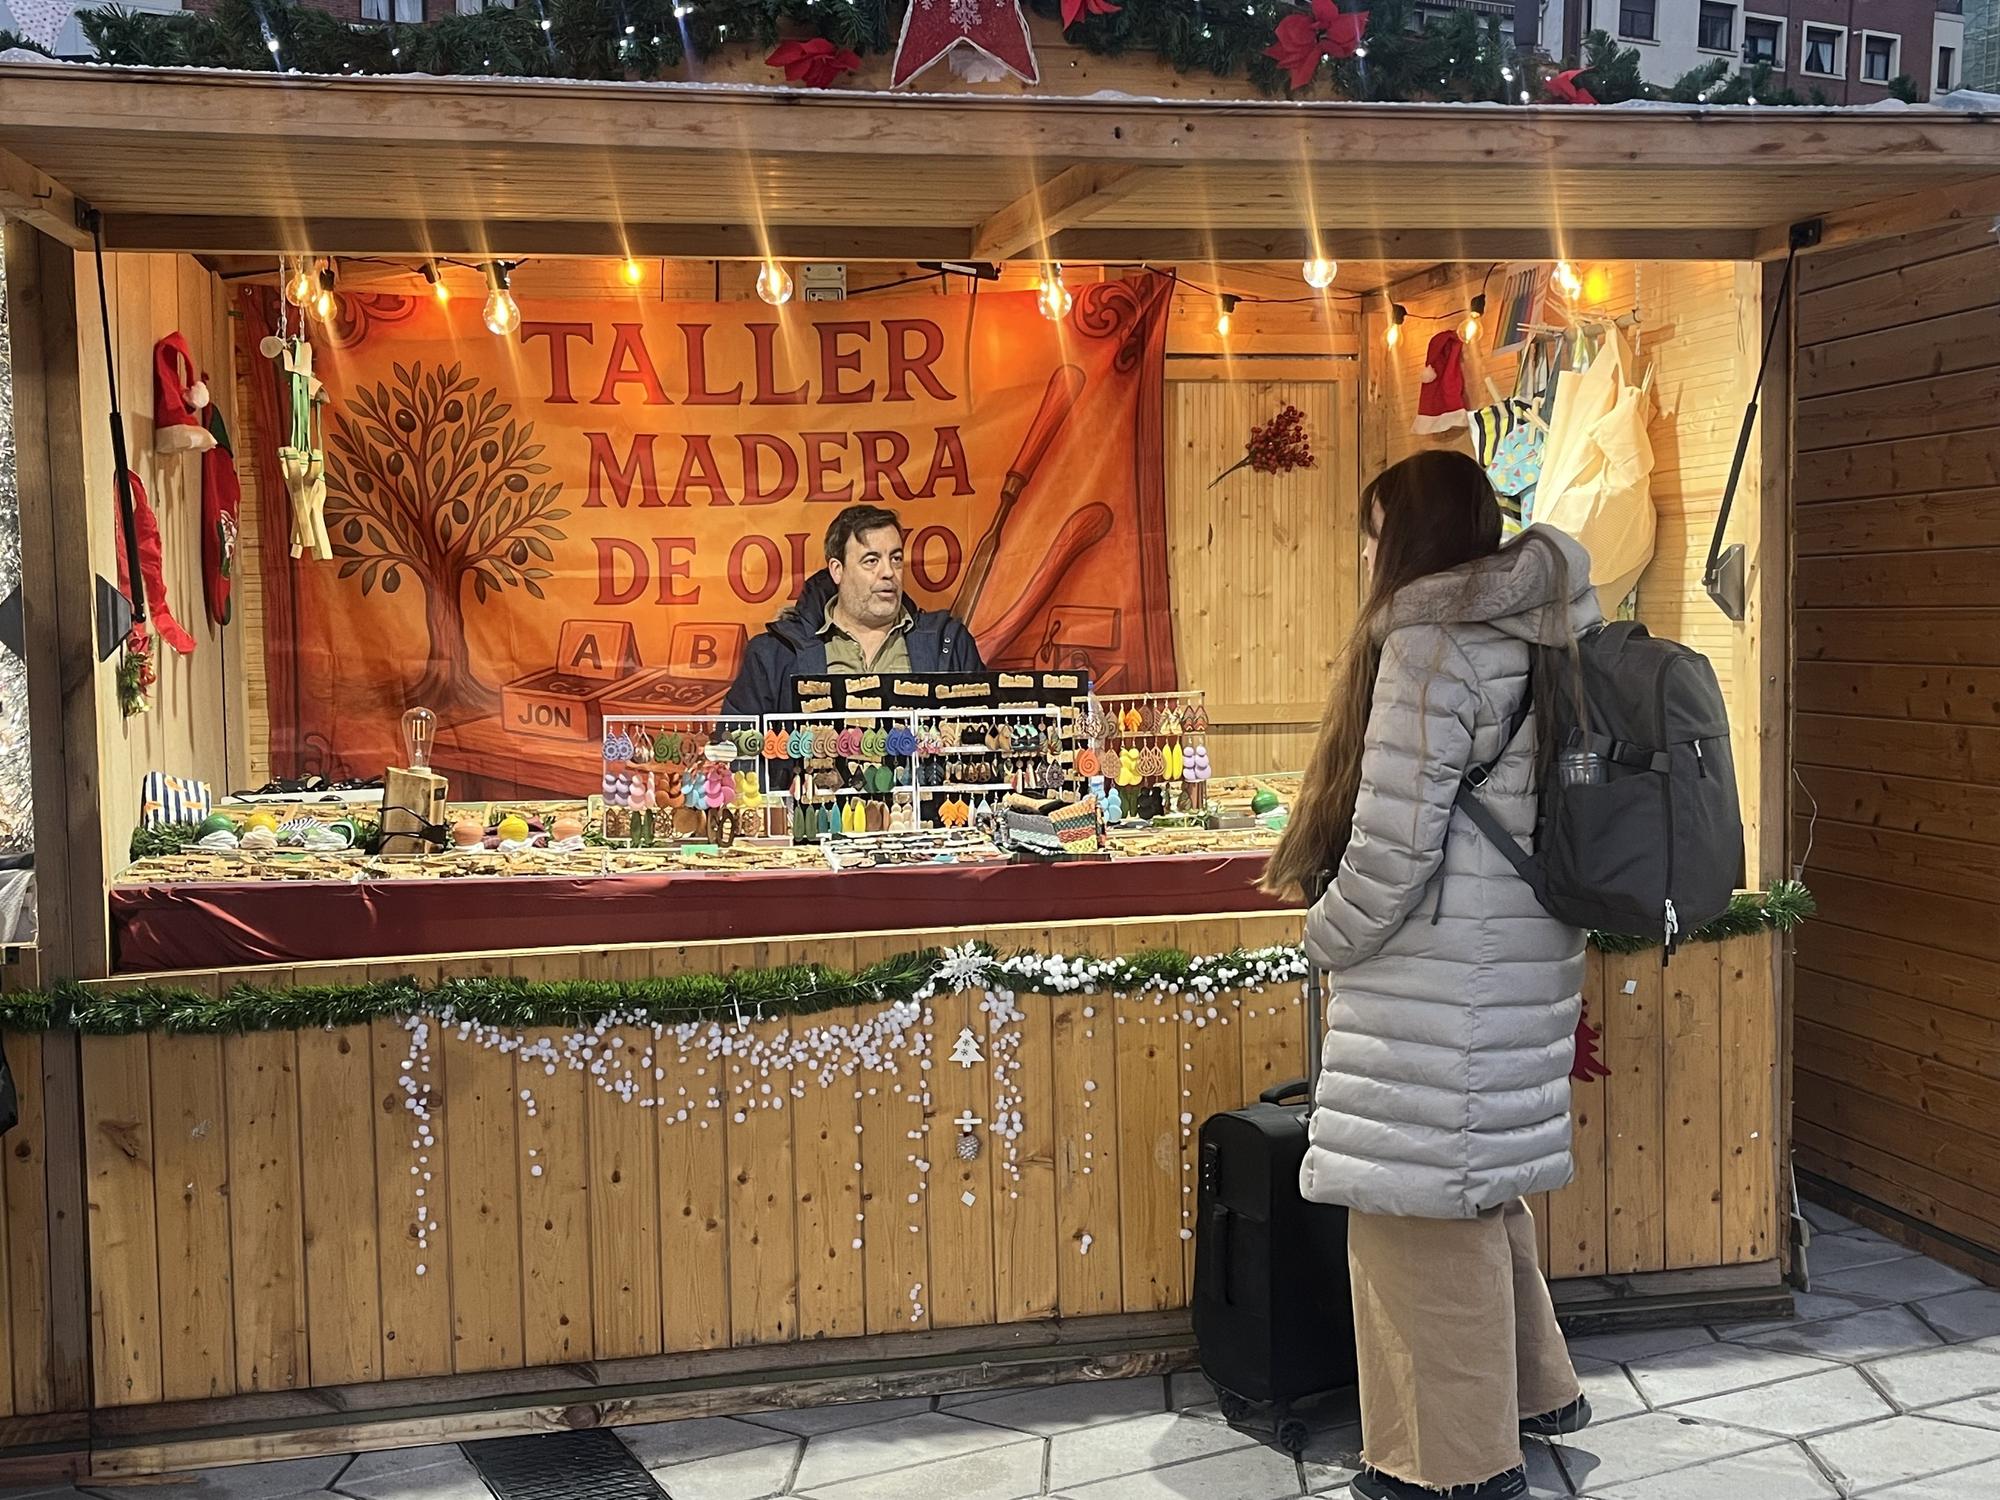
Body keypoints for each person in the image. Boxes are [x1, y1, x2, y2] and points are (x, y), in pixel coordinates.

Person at [1262, 450, 1599, 1500]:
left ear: (1406, 539)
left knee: (1413, 1216)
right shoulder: (1546, 629)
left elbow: (1391, 850)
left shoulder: (1430, 643)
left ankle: (1448, 1464)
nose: (1364, 557)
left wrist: (1323, 933)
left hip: (1439, 977)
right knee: (1478, 1185)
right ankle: (1536, 1394)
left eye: (1371, 536)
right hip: (1519, 955)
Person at [722, 504, 986, 719]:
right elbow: (734, 749)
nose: (889, 572)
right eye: (871, 561)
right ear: (837, 570)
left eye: (895, 559)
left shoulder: (948, 643)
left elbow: (990, 738)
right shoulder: (775, 653)